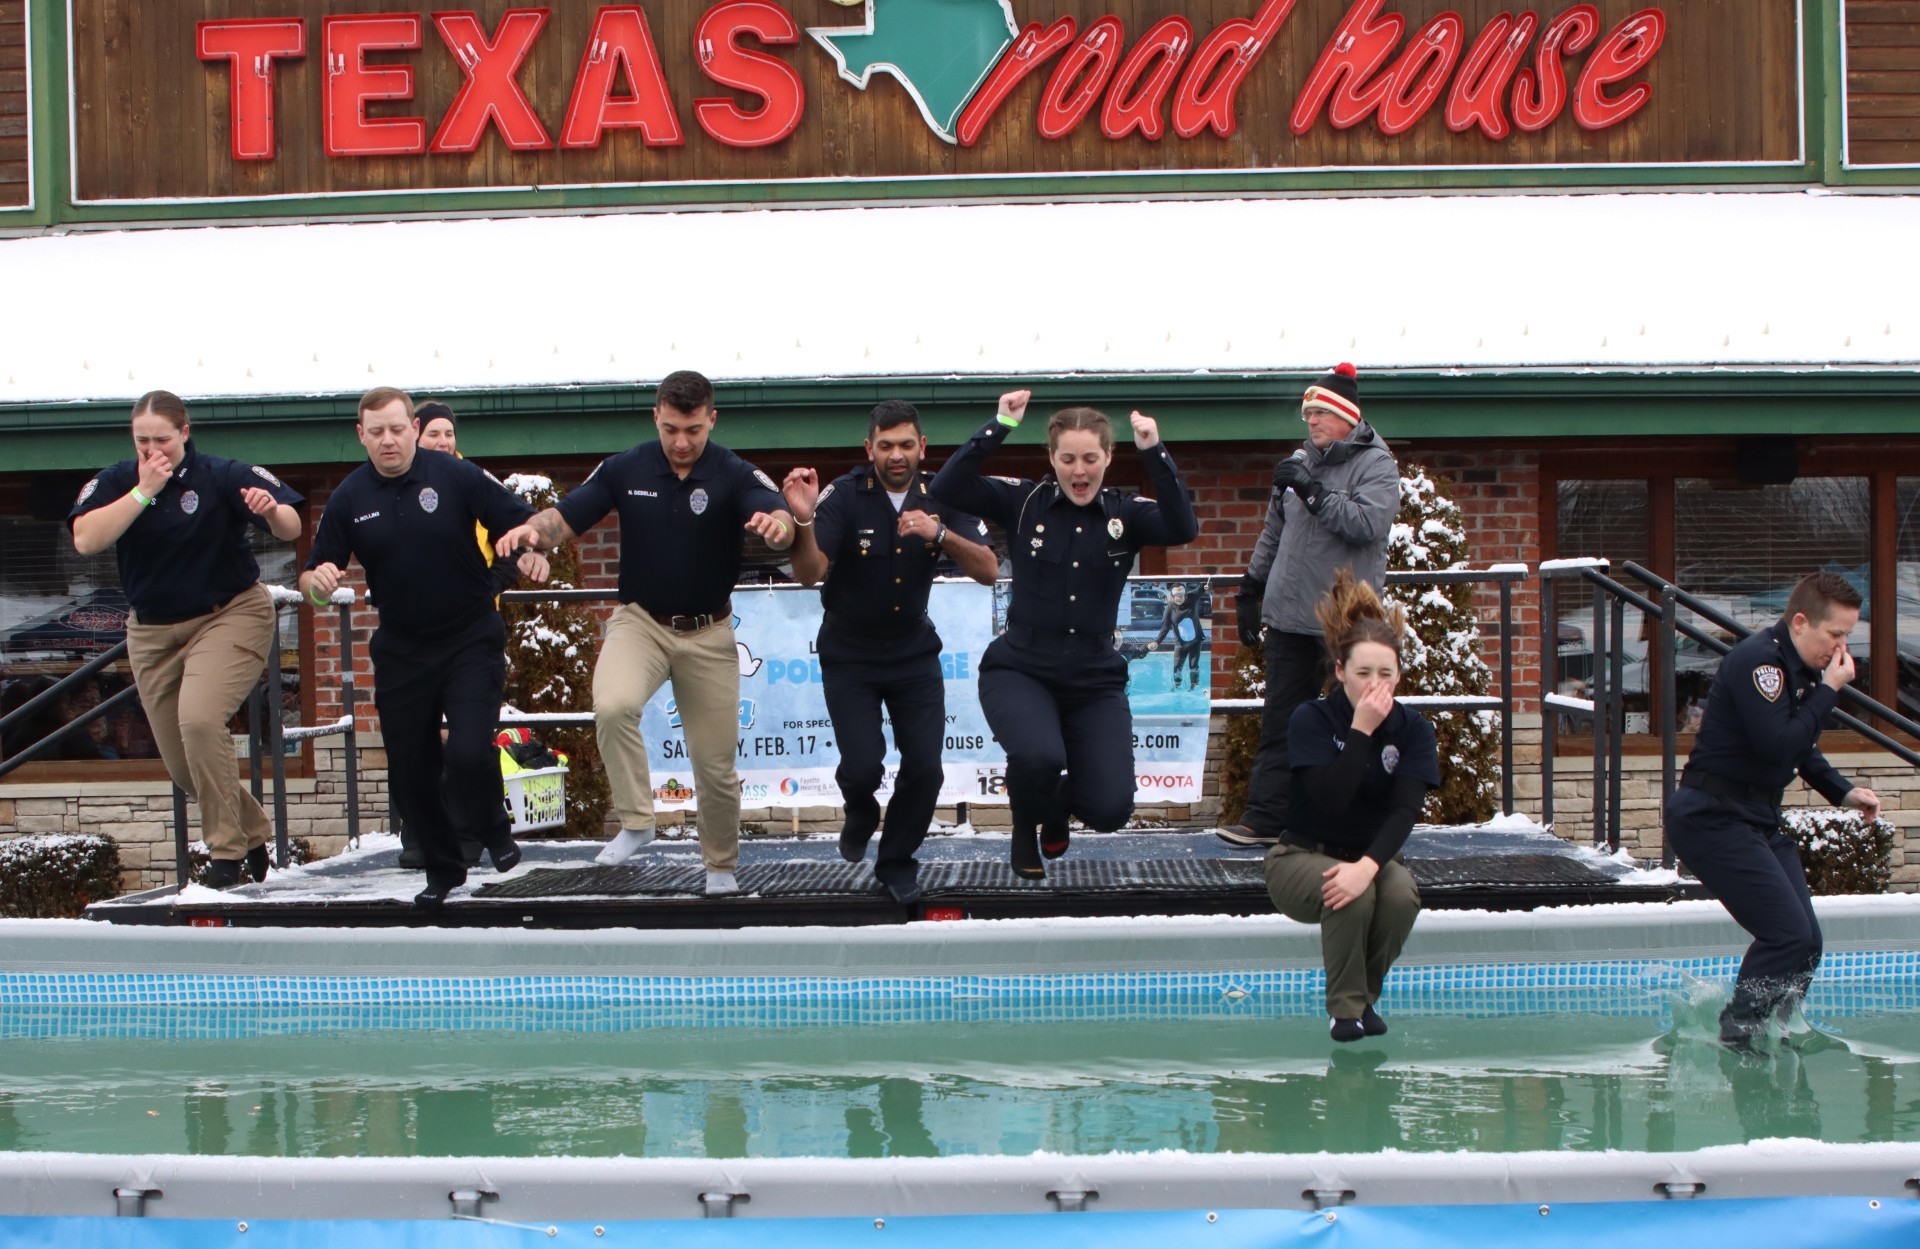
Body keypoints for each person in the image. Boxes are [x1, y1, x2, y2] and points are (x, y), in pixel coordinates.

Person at [493, 371, 795, 896]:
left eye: (694, 430)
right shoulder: (625, 467)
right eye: (672, 428)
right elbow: (565, 518)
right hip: (641, 623)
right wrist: (531, 532)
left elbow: (776, 514)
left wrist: (779, 525)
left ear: (712, 421)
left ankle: (720, 867)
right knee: (613, 705)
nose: (682, 443)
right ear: (656, 416)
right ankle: (638, 820)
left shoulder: (732, 471)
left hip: (709, 633)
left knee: (715, 763)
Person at [930, 390, 1198, 878]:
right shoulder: (1023, 499)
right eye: (1068, 458)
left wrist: (1154, 450)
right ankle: (1025, 827)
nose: (1080, 471)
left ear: (1108, 457)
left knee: (1111, 809)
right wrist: (1000, 426)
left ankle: (1053, 812)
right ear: (1051, 458)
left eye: (1091, 458)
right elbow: (946, 489)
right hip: (1021, 667)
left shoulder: (1126, 513)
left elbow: (1183, 526)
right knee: (1039, 755)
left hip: (1094, 678)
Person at [300, 387, 549, 908]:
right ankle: (443, 867)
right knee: (411, 768)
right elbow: (314, 576)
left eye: (396, 429)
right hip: (402, 647)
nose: (388, 440)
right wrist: (317, 581)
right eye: (376, 432)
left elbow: (521, 520)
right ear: (360, 435)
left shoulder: (455, 476)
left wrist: (527, 548)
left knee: (465, 749)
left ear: (413, 428)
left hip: (468, 639)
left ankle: (493, 830)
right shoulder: (349, 497)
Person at [69, 389, 304, 889]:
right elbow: (87, 540)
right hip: (153, 632)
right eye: (142, 441)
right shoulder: (118, 480)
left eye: (163, 440)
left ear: (185, 433)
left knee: (199, 721)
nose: (153, 451)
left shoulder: (219, 475)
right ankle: (253, 828)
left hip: (230, 614)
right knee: (183, 766)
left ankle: (225, 855)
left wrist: (270, 511)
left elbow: (291, 526)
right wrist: (141, 491)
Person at [781, 400, 999, 904]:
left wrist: (940, 534)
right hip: (849, 653)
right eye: (885, 446)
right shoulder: (844, 495)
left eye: (906, 445)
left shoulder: (944, 494)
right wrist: (805, 520)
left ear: (922, 447)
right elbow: (810, 573)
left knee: (926, 768)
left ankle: (897, 861)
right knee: (862, 766)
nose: (896, 455)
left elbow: (989, 568)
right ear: (869, 448)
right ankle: (860, 810)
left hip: (912, 653)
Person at [1665, 571, 1880, 1051]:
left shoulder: (1797, 670)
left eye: (1847, 636)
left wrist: (1842, 793)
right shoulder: (1761, 663)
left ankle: (1781, 1028)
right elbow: (1777, 745)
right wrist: (1829, 691)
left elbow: (1798, 745)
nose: (1842, 649)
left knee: (1807, 942)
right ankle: (1737, 1035)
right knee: (1785, 935)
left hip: (1755, 817)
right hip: (1711, 816)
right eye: (1836, 635)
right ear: (1801, 622)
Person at [1223, 363, 1399, 849]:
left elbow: (1366, 524)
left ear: (1347, 416)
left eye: (1320, 411)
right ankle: (1266, 818)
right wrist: (1250, 588)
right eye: (1307, 413)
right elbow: (1274, 533)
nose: (1311, 421)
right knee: (1282, 718)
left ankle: (1358, 820)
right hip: (1289, 614)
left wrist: (1313, 490)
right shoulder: (1299, 463)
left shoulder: (1376, 464)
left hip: (1346, 622)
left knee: (1356, 720)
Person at [1262, 571, 1437, 1042]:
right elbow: (1330, 800)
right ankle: (1344, 1013)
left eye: (1385, 673)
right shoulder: (1312, 718)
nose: (1374, 684)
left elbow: (1404, 812)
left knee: (1399, 892)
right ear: (1340, 672)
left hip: (1373, 856)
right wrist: (1360, 731)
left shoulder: (1414, 730)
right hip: (1299, 857)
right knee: (1350, 890)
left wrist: (1368, 864)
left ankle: (1364, 1000)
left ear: (1399, 675)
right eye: (1362, 673)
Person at [402, 399, 546, 869]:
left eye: (449, 434)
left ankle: (468, 833)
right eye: (433, 434)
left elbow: (517, 532)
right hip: (414, 634)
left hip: (471, 632)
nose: (443, 442)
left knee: (468, 741)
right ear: (414, 435)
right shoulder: (395, 483)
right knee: (416, 740)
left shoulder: (472, 480)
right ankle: (420, 836)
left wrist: (486, 587)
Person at [1149, 582, 1207, 690]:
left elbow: (1202, 587)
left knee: (1194, 666)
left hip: (1195, 641)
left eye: (1181, 596)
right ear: (1172, 596)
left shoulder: (1192, 597)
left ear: (1185, 595)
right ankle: (1177, 686)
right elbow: (1165, 627)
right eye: (1176, 596)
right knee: (1177, 668)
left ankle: (1194, 687)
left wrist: (1205, 585)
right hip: (1180, 643)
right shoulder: (1169, 609)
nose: (1179, 598)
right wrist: (1157, 641)